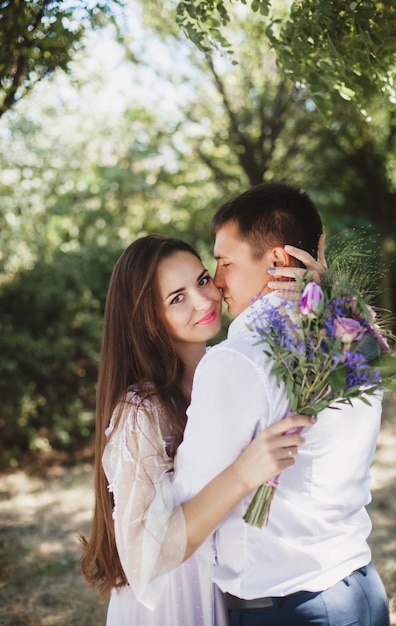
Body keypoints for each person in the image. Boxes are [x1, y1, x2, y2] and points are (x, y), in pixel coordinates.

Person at [173, 182, 390, 626]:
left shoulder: (236, 360)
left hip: (292, 607)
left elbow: (188, 510)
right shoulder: (354, 333)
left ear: (276, 260)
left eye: (225, 263)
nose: (216, 282)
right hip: (361, 589)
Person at [80, 234, 315, 626]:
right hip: (175, 602)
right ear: (148, 317)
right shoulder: (141, 412)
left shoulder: (229, 370)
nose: (205, 300)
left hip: (240, 585)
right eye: (177, 298)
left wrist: (315, 293)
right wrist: (243, 474)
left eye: (203, 280)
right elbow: (144, 556)